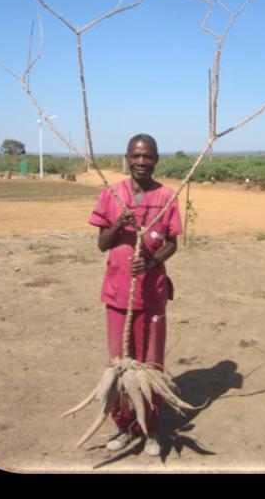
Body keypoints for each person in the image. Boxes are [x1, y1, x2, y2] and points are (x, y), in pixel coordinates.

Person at [88, 134, 183, 456]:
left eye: (148, 156)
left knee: (151, 365)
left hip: (152, 294)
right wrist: (119, 223)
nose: (141, 161)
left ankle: (151, 429)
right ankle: (122, 425)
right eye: (135, 155)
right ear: (126, 158)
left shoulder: (167, 196)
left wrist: (153, 261)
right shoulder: (112, 194)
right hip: (118, 294)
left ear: (156, 159)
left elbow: (172, 242)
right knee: (119, 363)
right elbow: (102, 243)